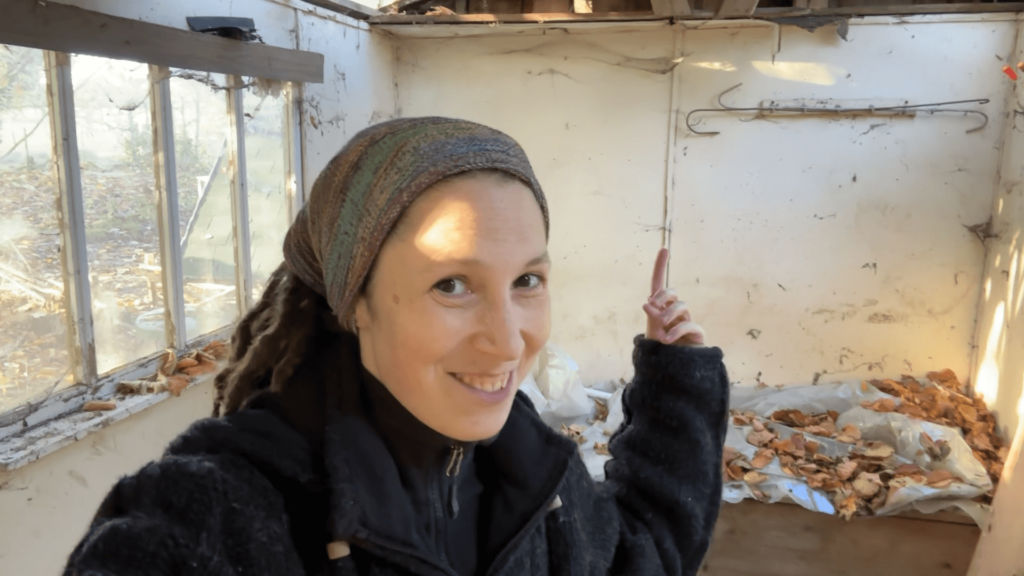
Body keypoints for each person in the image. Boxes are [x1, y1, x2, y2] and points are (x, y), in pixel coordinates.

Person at [63, 117, 729, 576]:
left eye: (527, 279)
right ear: (355, 303)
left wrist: (676, 384)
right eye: (452, 284)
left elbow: (637, 558)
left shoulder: (523, 469)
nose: (507, 340)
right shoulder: (214, 515)